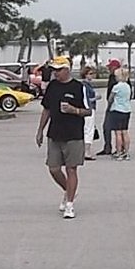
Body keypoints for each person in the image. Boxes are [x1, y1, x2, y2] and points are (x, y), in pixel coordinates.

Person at [35, 61, 89, 218]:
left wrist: (75, 110)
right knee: (53, 168)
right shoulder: (52, 86)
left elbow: (88, 110)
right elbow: (47, 109)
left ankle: (70, 204)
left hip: (74, 134)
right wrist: (40, 131)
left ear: (67, 70)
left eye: (58, 70)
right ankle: (68, 190)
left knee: (71, 168)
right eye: (53, 71)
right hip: (55, 134)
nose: (55, 73)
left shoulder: (79, 87)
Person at [105, 64, 133, 158]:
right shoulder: (127, 86)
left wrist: (108, 107)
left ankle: (119, 151)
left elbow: (110, 98)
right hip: (127, 110)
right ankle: (126, 152)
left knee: (118, 132)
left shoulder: (116, 87)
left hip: (117, 110)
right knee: (125, 131)